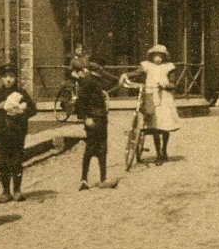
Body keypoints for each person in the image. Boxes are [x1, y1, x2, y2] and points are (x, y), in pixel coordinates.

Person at [120, 45, 181, 164]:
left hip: (164, 98)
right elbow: (137, 73)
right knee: (154, 127)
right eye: (155, 55)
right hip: (150, 97)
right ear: (152, 56)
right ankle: (158, 154)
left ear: (164, 56)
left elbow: (173, 84)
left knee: (165, 126)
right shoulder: (147, 65)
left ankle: (164, 150)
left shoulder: (169, 67)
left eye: (160, 55)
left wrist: (165, 86)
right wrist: (126, 75)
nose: (157, 58)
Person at [0, 64, 36, 203]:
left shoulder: (22, 93)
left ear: (16, 77)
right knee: (2, 161)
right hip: (1, 132)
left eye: (11, 76)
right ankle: (5, 191)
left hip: (17, 132)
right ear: (1, 78)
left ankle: (17, 190)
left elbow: (33, 109)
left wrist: (21, 111)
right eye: (5, 76)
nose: (8, 79)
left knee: (16, 159)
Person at [75, 60, 117, 190]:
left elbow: (114, 80)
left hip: (100, 117)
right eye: (100, 68)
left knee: (97, 147)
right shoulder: (89, 80)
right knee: (95, 147)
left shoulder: (95, 79)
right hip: (93, 117)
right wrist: (85, 118)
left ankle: (93, 179)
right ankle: (87, 180)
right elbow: (80, 101)